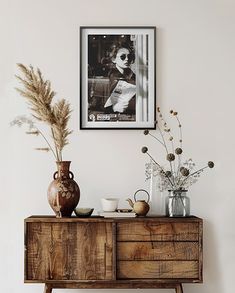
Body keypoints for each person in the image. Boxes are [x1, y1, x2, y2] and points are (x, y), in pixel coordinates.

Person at [104, 42, 136, 115]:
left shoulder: (132, 76)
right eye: (123, 56)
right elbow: (98, 103)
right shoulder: (109, 78)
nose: (127, 59)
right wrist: (113, 108)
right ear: (113, 59)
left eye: (129, 56)